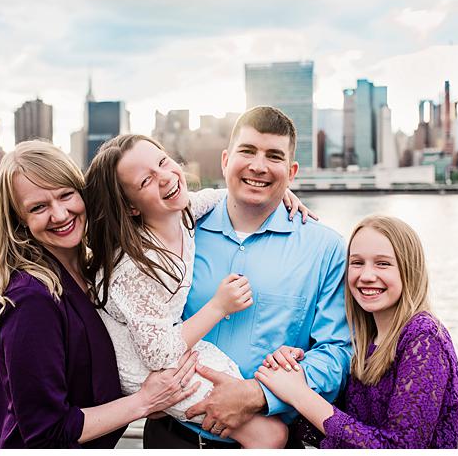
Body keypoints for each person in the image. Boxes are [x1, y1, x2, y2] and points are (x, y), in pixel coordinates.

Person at [83, 134, 314, 448]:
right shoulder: (136, 267)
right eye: (146, 181)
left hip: (170, 341)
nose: (165, 177)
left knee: (246, 390)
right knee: (270, 435)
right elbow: (159, 353)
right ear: (131, 208)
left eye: (163, 162)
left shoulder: (186, 211)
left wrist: (281, 190)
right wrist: (219, 306)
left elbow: (222, 195)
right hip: (147, 366)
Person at [142, 106, 353, 449]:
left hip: (266, 440)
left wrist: (259, 394)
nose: (258, 166)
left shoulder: (325, 248)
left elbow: (336, 354)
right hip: (171, 435)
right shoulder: (178, 229)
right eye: (247, 151)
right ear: (225, 161)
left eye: (273, 156)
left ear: (291, 171)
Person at [0, 140, 201, 448]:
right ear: (20, 222)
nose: (59, 214)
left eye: (65, 195)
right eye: (38, 207)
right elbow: (46, 431)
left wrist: (276, 198)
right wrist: (145, 400)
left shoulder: (94, 270)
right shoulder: (30, 300)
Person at [254, 215, 458, 449]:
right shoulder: (365, 340)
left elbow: (401, 448)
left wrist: (300, 395)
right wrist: (291, 368)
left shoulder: (424, 337)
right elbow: (340, 430)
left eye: (382, 263)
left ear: (409, 269)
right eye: (357, 262)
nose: (366, 276)